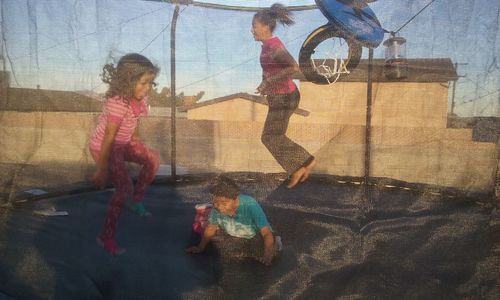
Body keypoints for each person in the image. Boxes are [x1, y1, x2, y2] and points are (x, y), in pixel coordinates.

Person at [89, 53, 160, 255]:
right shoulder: (118, 102)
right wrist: (101, 169)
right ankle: (105, 236)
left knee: (152, 159)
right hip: (106, 147)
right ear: (127, 80)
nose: (147, 88)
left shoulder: (140, 98)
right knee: (123, 188)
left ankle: (135, 201)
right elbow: (109, 137)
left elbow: (135, 120)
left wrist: (136, 140)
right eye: (143, 83)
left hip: (124, 143)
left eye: (150, 83)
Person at [252, 3, 316, 188]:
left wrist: (268, 82)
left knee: (271, 137)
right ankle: (300, 165)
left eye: (254, 26)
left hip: (285, 97)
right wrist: (265, 84)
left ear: (265, 27)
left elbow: (293, 67)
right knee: (273, 136)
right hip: (280, 97)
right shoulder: (267, 46)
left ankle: (304, 162)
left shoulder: (273, 45)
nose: (252, 30)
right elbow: (273, 71)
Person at [185, 176, 282, 266]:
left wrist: (268, 255)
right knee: (222, 249)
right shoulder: (216, 208)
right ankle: (245, 248)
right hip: (236, 234)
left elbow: (265, 232)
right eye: (215, 202)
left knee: (263, 252)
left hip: (255, 234)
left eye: (224, 203)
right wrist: (200, 248)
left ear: (235, 199)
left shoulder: (250, 205)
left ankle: (276, 242)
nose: (219, 207)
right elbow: (211, 227)